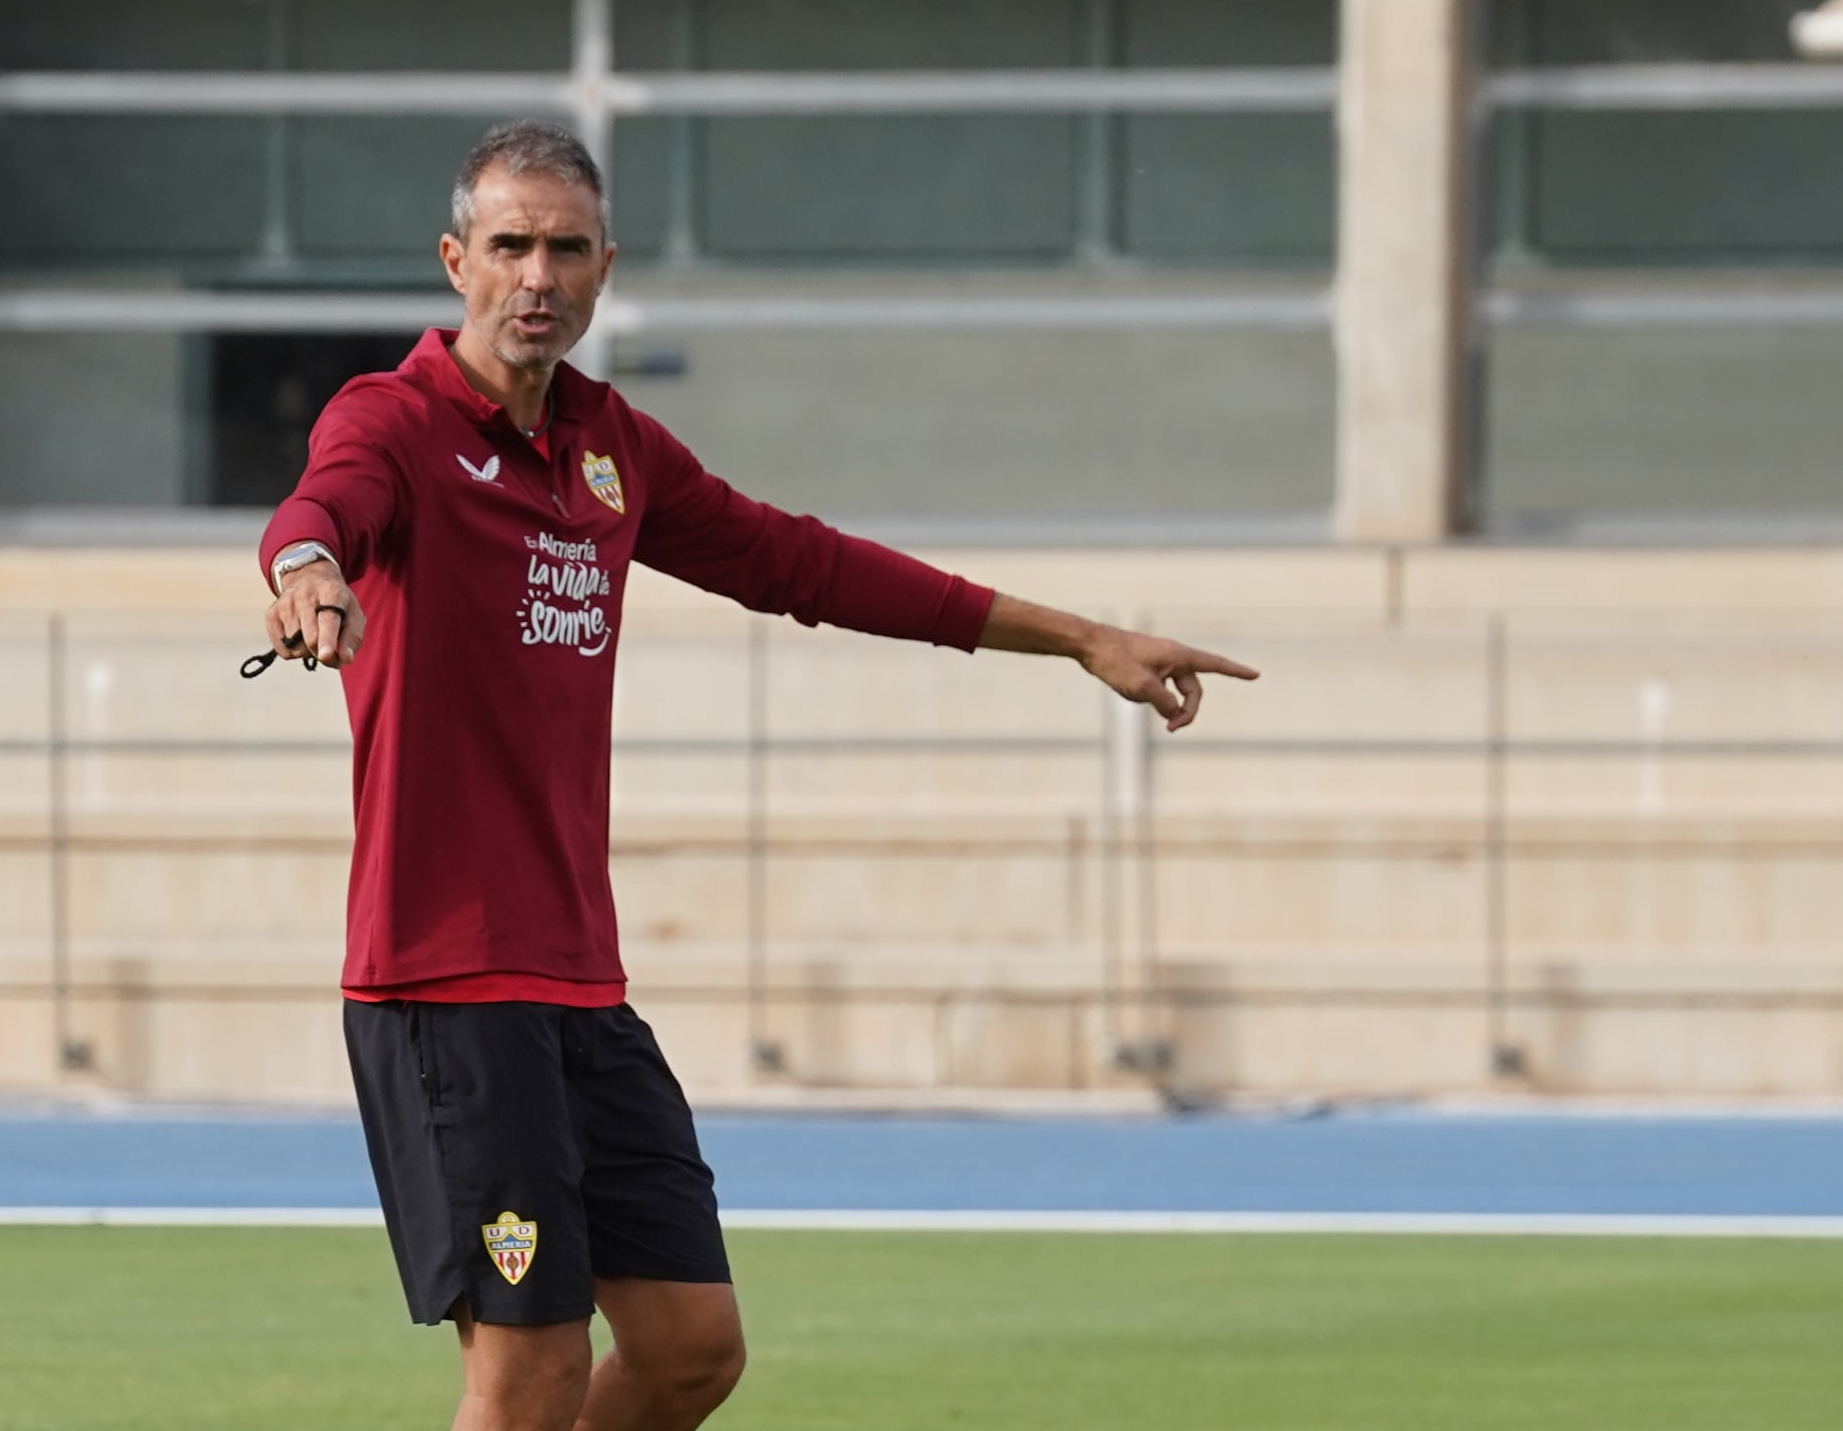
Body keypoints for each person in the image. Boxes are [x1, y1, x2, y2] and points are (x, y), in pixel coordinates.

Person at [256, 119, 1258, 1431]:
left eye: (565, 249)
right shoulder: (389, 419)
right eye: (509, 247)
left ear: (605, 267)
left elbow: (806, 565)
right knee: (527, 1374)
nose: (536, 277)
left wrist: (1077, 637)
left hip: (577, 982)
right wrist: (304, 567)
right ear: (457, 261)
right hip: (447, 982)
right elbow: (323, 502)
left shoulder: (611, 450)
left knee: (687, 1349)